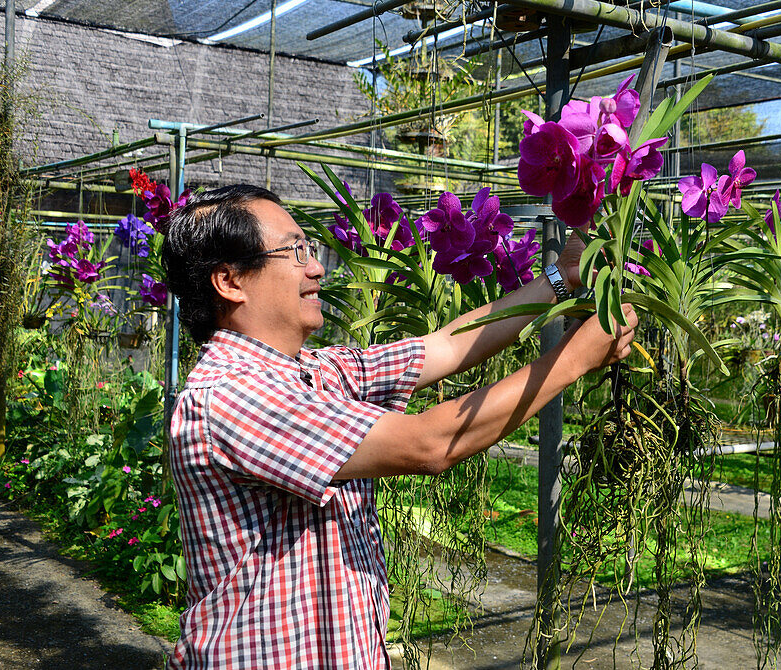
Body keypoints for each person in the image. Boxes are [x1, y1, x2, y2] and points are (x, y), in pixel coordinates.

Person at [160, 184, 637, 669]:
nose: (317, 267)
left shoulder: (318, 371)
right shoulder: (230, 397)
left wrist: (561, 278)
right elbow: (429, 444)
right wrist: (576, 358)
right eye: (296, 250)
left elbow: (447, 345)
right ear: (230, 280)